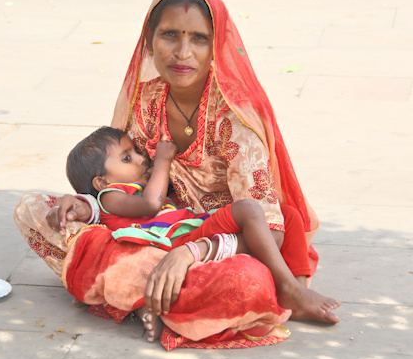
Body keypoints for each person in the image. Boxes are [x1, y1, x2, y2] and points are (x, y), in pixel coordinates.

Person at [15, 0, 338, 350]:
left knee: (248, 283)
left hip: (225, 247)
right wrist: (85, 204)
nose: (183, 52)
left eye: (199, 38)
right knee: (34, 209)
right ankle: (157, 297)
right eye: (170, 35)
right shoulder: (145, 101)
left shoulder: (236, 121)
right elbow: (123, 181)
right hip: (158, 232)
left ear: (216, 47)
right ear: (149, 43)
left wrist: (191, 254)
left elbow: (270, 232)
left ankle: (136, 295)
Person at [64, 126, 339, 341]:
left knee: (286, 215)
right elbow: (151, 203)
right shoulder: (111, 195)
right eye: (127, 157)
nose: (140, 158)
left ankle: (299, 292)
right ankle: (288, 287)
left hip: (193, 230)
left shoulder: (134, 185)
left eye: (136, 150)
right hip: (178, 243)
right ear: (101, 182)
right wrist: (163, 158)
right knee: (248, 210)